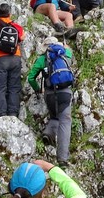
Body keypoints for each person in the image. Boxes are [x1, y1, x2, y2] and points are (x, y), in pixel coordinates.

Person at [28, 37, 73, 168]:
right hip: (65, 93)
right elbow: (69, 51)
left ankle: (49, 133)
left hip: (49, 95)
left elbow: (31, 78)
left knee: (54, 116)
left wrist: (38, 89)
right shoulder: (65, 55)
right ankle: (62, 159)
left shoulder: (42, 60)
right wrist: (66, 47)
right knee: (65, 121)